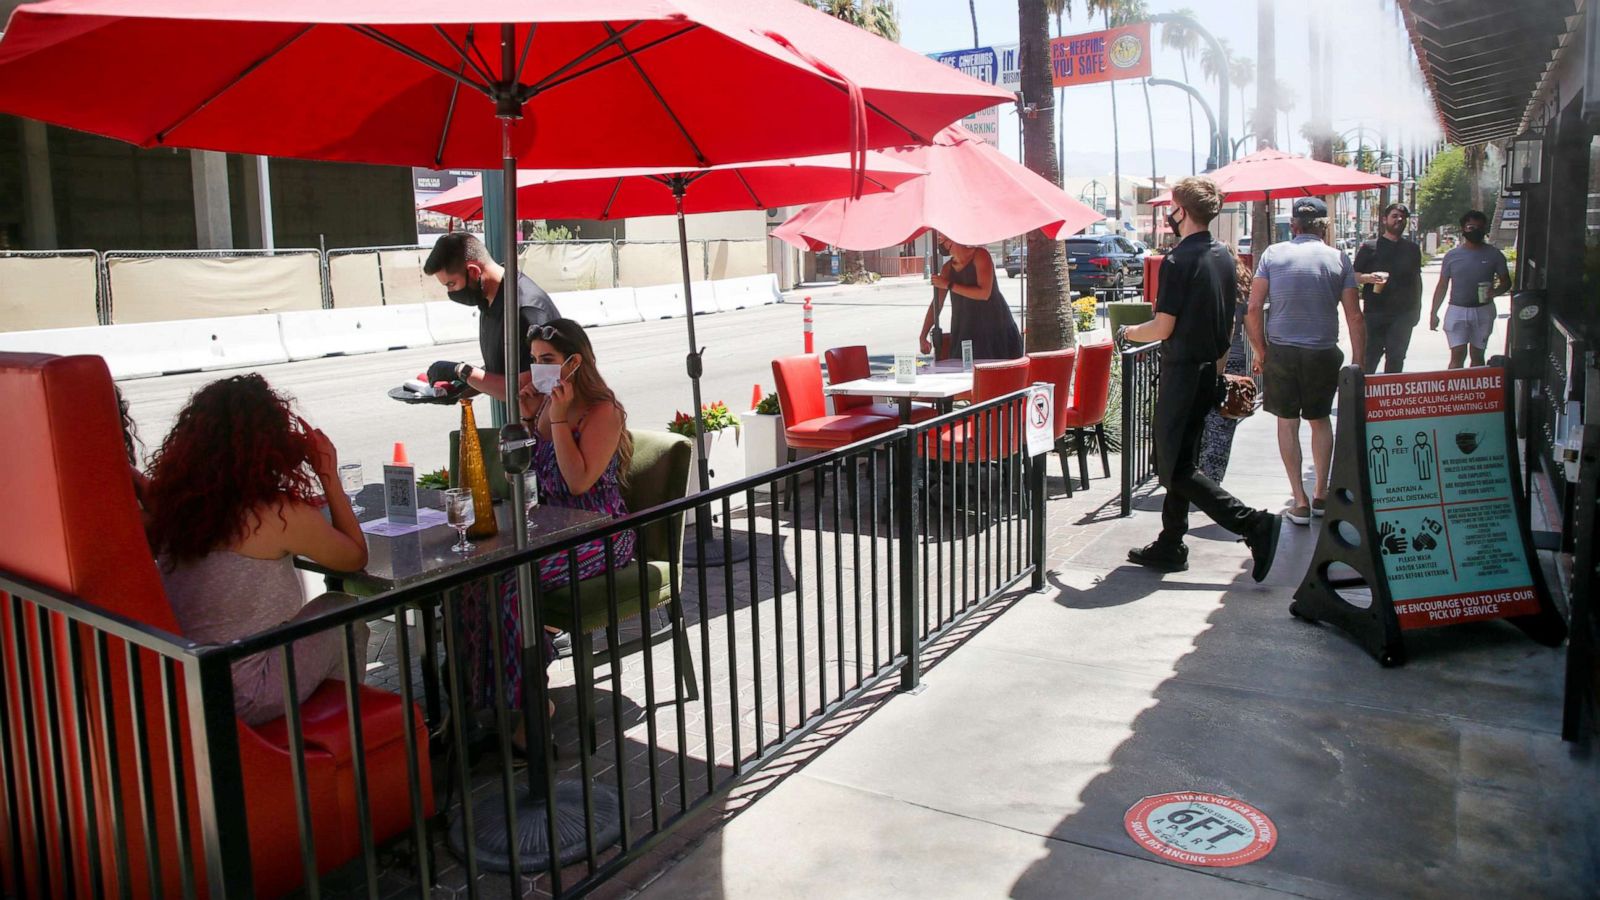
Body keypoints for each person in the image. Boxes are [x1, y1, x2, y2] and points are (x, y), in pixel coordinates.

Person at [145, 375, 369, 726]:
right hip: (248, 693)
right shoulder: (274, 513)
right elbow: (354, 557)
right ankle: (345, 726)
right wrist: (328, 475)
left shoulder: (178, 505)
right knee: (340, 610)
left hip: (192, 682)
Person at [458, 318, 636, 734]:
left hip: (600, 531)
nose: (539, 368)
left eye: (549, 360)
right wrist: (526, 420)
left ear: (575, 363)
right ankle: (478, 696)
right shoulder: (539, 407)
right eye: (535, 359)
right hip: (548, 527)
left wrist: (555, 420)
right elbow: (525, 476)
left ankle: (528, 707)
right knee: (473, 580)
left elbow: (577, 483)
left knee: (512, 583)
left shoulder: (602, 410)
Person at [1118, 176, 1281, 580]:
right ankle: (1171, 542)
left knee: (1170, 466)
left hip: (1183, 372)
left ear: (1182, 212)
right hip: (1208, 370)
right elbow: (1227, 324)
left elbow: (1162, 327)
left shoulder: (1178, 261)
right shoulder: (1224, 257)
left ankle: (1251, 523)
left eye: (1172, 208)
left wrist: (1127, 333)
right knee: (1183, 460)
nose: (1170, 216)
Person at [1247, 197, 1365, 526]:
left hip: (1282, 350)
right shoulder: (1338, 258)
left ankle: (1298, 500)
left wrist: (1261, 351)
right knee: (1320, 420)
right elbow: (1355, 316)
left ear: (1294, 226)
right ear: (1324, 226)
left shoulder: (1273, 254)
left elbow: (1253, 308)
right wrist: (1359, 363)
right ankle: (1321, 495)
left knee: (1287, 422)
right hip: (1323, 351)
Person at [421, 231, 562, 398]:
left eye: (451, 284)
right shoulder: (488, 301)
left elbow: (528, 387)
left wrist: (461, 371)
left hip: (549, 421)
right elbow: (501, 370)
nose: (450, 292)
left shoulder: (526, 309)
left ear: (473, 271)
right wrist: (458, 387)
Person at [1198, 255, 1255, 482]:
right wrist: (1260, 354)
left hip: (1209, 359)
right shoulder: (1240, 292)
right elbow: (1250, 326)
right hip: (1235, 362)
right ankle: (1213, 477)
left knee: (1201, 421)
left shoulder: (1206, 289)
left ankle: (1200, 475)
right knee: (1224, 421)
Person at [918, 236, 1024, 360]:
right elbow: (937, 304)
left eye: (942, 238)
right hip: (964, 327)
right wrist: (923, 335)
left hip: (994, 326)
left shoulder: (980, 255)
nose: (939, 241)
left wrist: (949, 284)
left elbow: (984, 293)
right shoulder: (947, 268)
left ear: (953, 238)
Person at [1429, 210, 1511, 369]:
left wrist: (1494, 292)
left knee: (1478, 356)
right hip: (1456, 310)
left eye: (1479, 227)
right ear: (1463, 229)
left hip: (1483, 310)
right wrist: (1433, 313)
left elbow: (1506, 282)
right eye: (1470, 227)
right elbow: (1442, 285)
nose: (1475, 231)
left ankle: (1475, 392)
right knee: (1457, 356)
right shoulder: (1452, 256)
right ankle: (1453, 392)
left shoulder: (1495, 255)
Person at [1353, 203, 1424, 373]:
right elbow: (1354, 276)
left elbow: (1417, 280)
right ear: (1385, 219)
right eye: (1394, 216)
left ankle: (1389, 398)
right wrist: (1369, 278)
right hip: (1375, 313)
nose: (1399, 220)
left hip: (1403, 314)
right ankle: (1364, 396)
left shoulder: (1412, 249)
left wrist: (1417, 310)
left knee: (1396, 358)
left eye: (1403, 217)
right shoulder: (1369, 247)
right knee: (1370, 357)